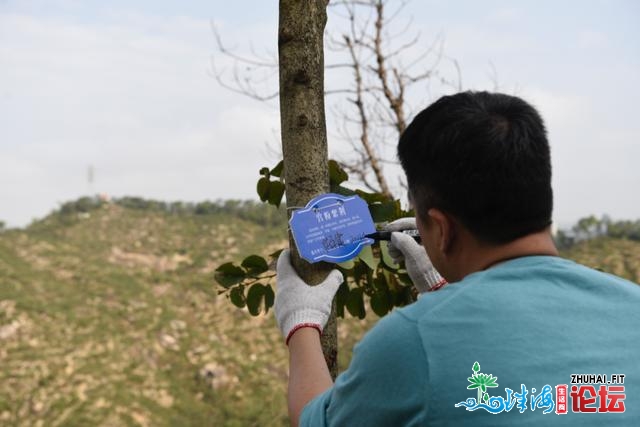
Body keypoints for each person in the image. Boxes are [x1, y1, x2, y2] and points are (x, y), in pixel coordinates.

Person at [273, 91, 640, 426]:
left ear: (442, 229)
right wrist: (443, 290)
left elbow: (314, 421)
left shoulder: (412, 341)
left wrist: (301, 321)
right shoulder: (632, 307)